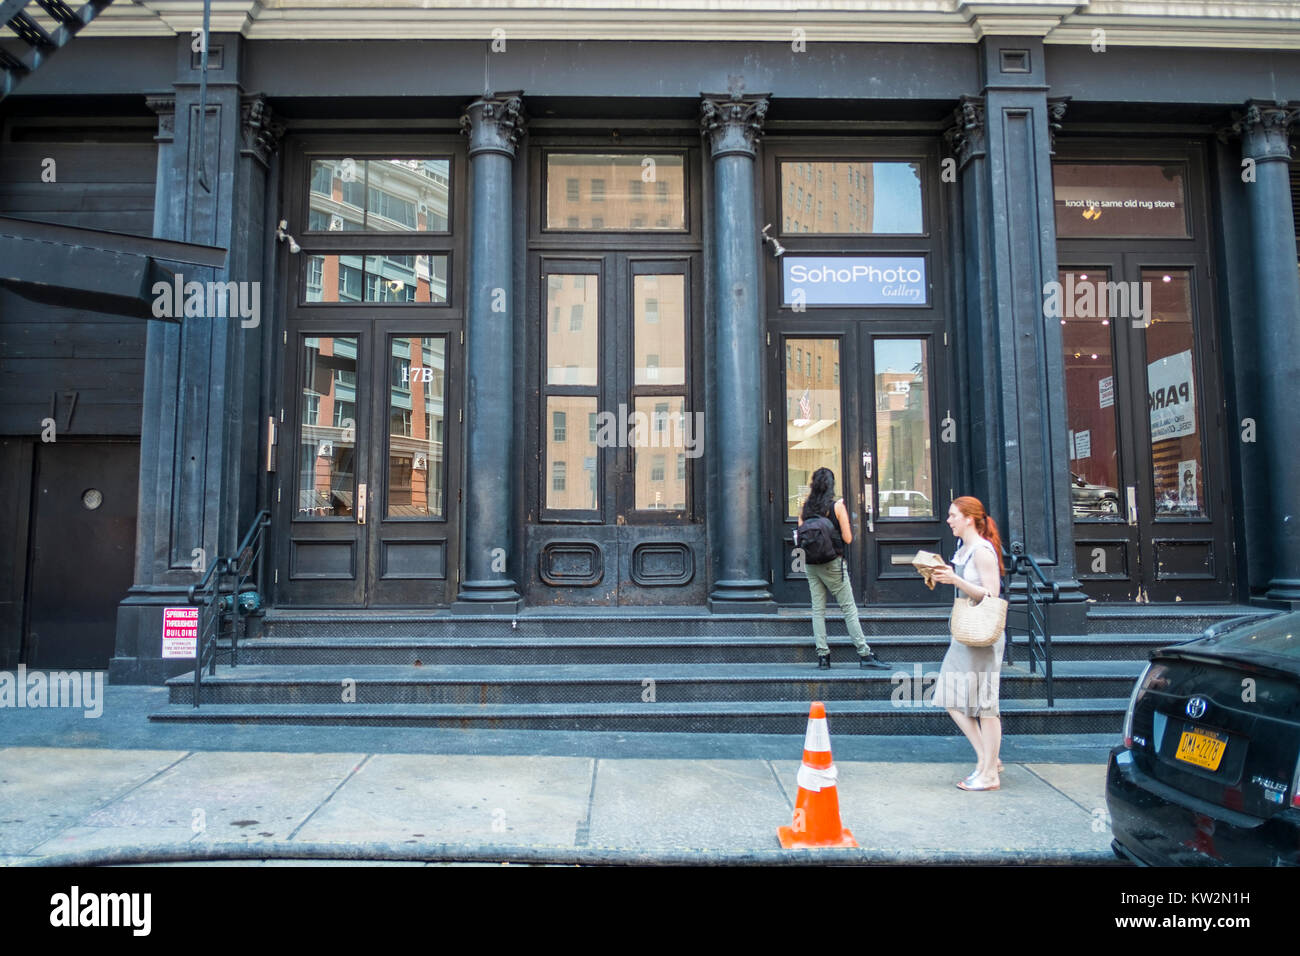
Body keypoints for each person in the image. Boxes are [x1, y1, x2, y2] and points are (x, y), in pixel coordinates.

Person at [930, 495, 1005, 791]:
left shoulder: (982, 551)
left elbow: (992, 595)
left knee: (986, 705)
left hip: (983, 634)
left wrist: (955, 581)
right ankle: (988, 759)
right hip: (966, 633)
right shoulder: (963, 549)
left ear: (968, 519)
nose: (948, 521)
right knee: (950, 696)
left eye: (953, 516)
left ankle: (988, 773)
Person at [799, 467, 888, 670]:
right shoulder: (837, 506)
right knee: (848, 608)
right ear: (832, 485)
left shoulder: (805, 507)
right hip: (833, 563)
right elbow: (848, 538)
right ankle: (864, 654)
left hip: (812, 565)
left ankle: (823, 656)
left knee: (817, 610)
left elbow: (801, 535)